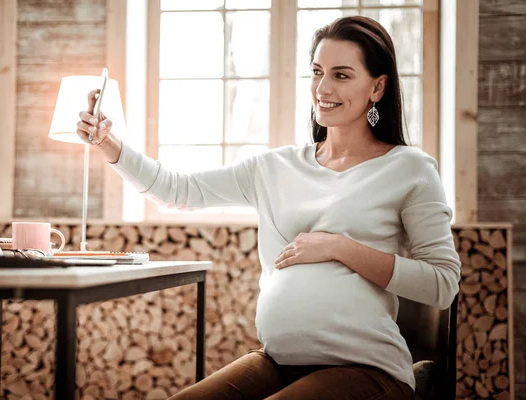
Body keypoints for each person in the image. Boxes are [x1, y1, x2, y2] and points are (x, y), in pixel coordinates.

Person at [76, 15, 460, 400]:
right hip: (277, 360)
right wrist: (110, 144)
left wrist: (339, 247)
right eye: (317, 72)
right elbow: (178, 190)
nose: (322, 88)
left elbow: (442, 284)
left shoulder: (409, 168)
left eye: (341, 75)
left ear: (377, 87)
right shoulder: (274, 167)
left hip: (368, 370)